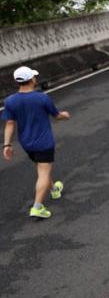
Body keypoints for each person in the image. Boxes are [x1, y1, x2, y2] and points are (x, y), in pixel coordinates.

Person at [2, 66, 71, 219]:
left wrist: (6, 144)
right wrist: (65, 115)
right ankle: (37, 207)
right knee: (44, 172)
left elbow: (10, 124)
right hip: (44, 142)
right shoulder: (42, 98)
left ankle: (54, 190)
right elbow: (56, 115)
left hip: (27, 143)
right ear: (32, 79)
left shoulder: (10, 101)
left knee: (42, 167)